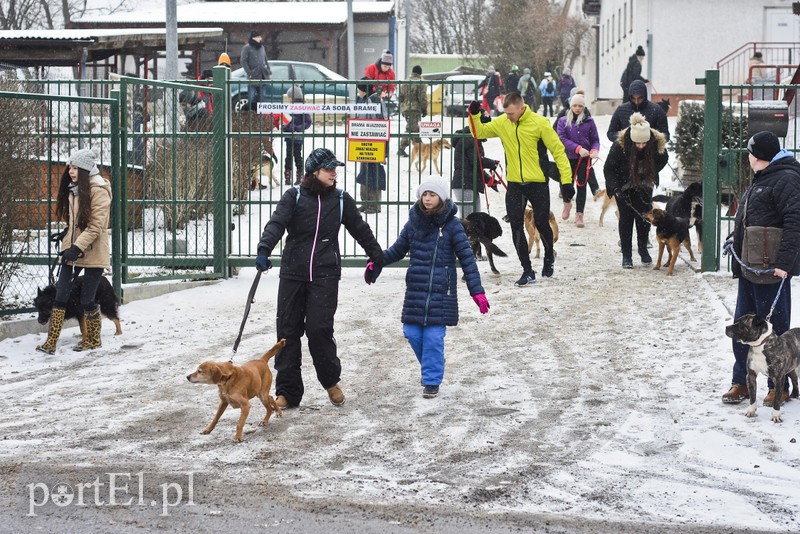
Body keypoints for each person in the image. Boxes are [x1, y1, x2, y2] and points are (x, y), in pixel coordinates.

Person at [255, 148, 384, 408]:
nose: (334, 174)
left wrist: (376, 256)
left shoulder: (340, 199)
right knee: (287, 331)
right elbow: (276, 224)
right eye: (328, 169)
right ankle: (287, 392)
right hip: (293, 273)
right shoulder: (294, 196)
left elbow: (360, 228)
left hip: (325, 274)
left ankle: (330, 382)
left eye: (335, 169)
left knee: (319, 329)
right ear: (314, 172)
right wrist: (264, 249)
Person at [363, 176, 489, 398]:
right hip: (416, 290)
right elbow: (397, 250)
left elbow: (467, 259)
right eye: (425, 194)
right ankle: (434, 363)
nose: (428, 198)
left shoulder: (452, 226)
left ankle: (431, 380)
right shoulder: (414, 223)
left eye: (432, 194)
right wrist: (377, 260)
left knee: (432, 338)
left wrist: (476, 290)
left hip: (442, 292)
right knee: (411, 333)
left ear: (441, 198)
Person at [722, 131, 800, 405]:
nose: (748, 156)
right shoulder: (762, 178)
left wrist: (784, 264)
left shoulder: (787, 179)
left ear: (761, 155)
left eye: (751, 152)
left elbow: (794, 223)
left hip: (771, 270)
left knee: (774, 330)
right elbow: (751, 218)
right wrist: (735, 239)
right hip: (750, 267)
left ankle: (778, 386)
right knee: (742, 326)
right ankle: (742, 382)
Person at [468, 93, 573, 285]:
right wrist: (474, 114)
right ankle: (527, 270)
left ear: (521, 108)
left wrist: (566, 182)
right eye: (505, 113)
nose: (507, 116)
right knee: (516, 226)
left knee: (541, 223)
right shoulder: (503, 122)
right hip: (515, 184)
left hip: (538, 183)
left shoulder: (540, 123)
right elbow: (479, 132)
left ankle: (549, 256)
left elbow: (558, 151)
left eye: (510, 113)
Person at [36, 149, 112, 354]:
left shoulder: (99, 190)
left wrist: (77, 246)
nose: (70, 171)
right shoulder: (74, 188)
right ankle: (51, 342)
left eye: (75, 167)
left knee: (87, 299)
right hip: (72, 250)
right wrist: (66, 235)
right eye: (70, 166)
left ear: (86, 169)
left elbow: (96, 226)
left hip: (93, 251)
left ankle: (94, 339)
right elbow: (76, 222)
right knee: (60, 295)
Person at [603, 113, 668, 269]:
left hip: (644, 185)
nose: (640, 146)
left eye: (643, 143)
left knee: (644, 217)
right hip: (623, 185)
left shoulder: (654, 144)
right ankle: (626, 254)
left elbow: (663, 159)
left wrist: (650, 172)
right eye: (637, 143)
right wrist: (616, 188)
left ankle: (643, 249)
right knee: (625, 220)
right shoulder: (620, 145)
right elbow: (609, 168)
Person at [556, 93, 600, 228]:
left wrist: (594, 150)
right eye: (575, 105)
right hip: (568, 157)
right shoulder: (563, 120)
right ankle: (567, 203)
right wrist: (577, 148)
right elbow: (561, 138)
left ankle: (579, 214)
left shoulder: (589, 121)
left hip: (584, 159)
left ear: (584, 107)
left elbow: (595, 140)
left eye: (580, 106)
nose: (577, 108)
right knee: (566, 184)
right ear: (571, 106)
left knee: (582, 185)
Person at [451, 110, 498, 218]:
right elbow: (477, 161)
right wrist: (492, 163)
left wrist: (488, 179)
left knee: (475, 218)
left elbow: (474, 166)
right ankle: (463, 235)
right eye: (486, 126)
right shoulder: (470, 138)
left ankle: (471, 235)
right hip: (464, 184)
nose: (488, 130)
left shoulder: (472, 138)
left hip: (469, 184)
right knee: (468, 219)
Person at [354, 78, 388, 213]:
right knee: (364, 172)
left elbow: (381, 121)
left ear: (364, 90)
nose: (358, 92)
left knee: (373, 173)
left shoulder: (375, 100)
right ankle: (365, 201)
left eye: (359, 90)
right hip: (363, 141)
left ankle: (374, 204)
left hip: (375, 142)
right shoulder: (363, 100)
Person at [281, 85, 312, 185]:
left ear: (293, 97)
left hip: (298, 136)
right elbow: (286, 120)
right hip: (289, 136)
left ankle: (299, 176)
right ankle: (287, 176)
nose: (288, 99)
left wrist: (298, 128)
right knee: (288, 156)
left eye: (289, 97)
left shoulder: (303, 108)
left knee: (297, 155)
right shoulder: (288, 107)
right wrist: (285, 127)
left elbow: (308, 122)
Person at [397, 65, 428, 157]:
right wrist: (424, 109)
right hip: (414, 108)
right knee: (411, 129)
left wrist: (403, 106)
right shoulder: (421, 83)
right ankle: (401, 148)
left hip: (405, 109)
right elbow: (422, 97)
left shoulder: (405, 82)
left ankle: (420, 147)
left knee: (414, 128)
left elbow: (400, 97)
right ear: (420, 73)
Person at [240, 29, 272, 110]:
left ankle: (260, 116)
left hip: (263, 76)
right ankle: (251, 115)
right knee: (252, 97)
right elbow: (243, 61)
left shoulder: (262, 47)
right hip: (253, 77)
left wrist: (269, 71)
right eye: (258, 37)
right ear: (253, 38)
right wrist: (249, 73)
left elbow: (265, 60)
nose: (260, 38)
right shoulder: (247, 48)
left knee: (262, 99)